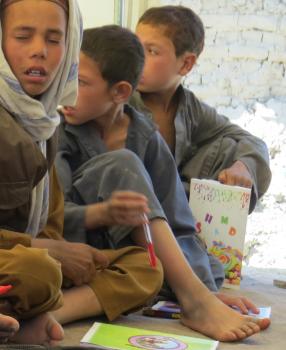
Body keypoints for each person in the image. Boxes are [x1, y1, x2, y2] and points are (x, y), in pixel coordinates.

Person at [57, 25, 270, 342]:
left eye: (81, 82)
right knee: (124, 162)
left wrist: (205, 288)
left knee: (194, 270)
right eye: (67, 76)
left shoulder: (145, 134)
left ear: (120, 93)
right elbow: (50, 219)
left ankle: (194, 295)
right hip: (76, 252)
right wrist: (100, 213)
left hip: (133, 261)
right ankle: (194, 300)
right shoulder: (57, 132)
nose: (67, 90)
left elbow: (178, 222)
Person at [0, 0, 163, 345]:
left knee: (147, 267)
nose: (39, 52)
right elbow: (41, 248)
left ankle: (47, 314)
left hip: (26, 260)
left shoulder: (44, 121)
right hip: (17, 263)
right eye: (23, 36)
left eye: (54, 39)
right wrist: (44, 249)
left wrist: (61, 250)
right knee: (36, 273)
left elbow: (51, 222)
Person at [130, 5, 272, 214]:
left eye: (152, 51)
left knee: (230, 147)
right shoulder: (119, 101)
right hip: (128, 217)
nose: (137, 58)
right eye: (135, 46)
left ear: (186, 64)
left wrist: (244, 166)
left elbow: (253, 142)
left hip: (173, 215)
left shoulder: (189, 108)